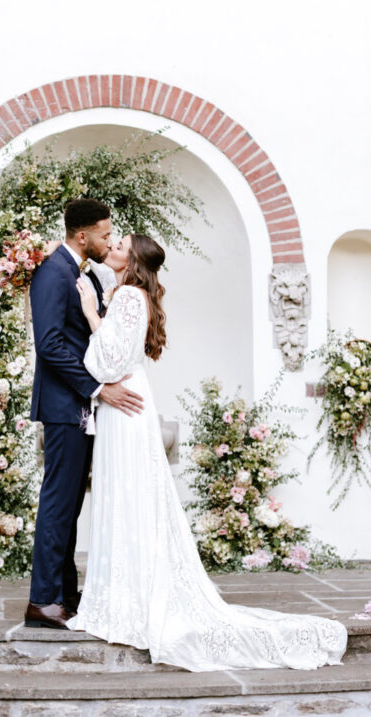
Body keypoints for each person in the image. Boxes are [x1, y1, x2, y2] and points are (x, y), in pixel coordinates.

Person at [67, 233, 347, 671]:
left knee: (126, 494)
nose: (114, 246)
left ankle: (123, 599)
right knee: (134, 496)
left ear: (133, 259)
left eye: (121, 243)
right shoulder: (134, 294)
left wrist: (88, 312)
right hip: (133, 401)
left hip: (124, 403)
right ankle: (125, 589)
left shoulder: (126, 297)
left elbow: (108, 362)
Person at [25, 199, 144, 629]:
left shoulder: (84, 273)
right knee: (58, 502)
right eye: (105, 235)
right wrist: (98, 388)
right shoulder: (53, 273)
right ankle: (42, 600)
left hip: (81, 407)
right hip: (64, 407)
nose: (110, 241)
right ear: (83, 236)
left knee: (71, 503)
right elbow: (50, 344)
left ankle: (63, 592)